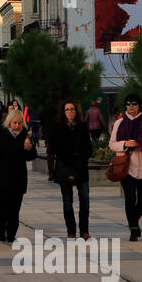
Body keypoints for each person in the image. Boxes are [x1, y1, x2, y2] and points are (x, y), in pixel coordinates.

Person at [0, 109, 36, 243]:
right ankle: (1, 232)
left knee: (15, 207)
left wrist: (29, 149)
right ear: (9, 123)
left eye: (19, 123)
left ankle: (11, 234)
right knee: (2, 205)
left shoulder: (25, 135)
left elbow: (30, 156)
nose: (16, 126)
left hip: (18, 176)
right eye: (14, 123)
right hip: (2, 176)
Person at [110, 94, 142, 241]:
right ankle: (133, 229)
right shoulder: (119, 123)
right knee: (130, 198)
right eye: (128, 104)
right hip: (126, 167)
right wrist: (125, 144)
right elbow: (112, 144)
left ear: (139, 106)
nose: (131, 107)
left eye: (134, 104)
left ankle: (133, 221)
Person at [49, 100, 93, 239]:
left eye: (72, 109)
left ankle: (84, 230)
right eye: (67, 109)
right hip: (64, 167)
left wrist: (82, 157)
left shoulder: (82, 126)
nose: (70, 112)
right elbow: (51, 148)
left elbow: (89, 148)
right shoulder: (57, 127)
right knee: (68, 202)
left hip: (80, 167)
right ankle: (71, 230)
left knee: (85, 199)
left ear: (76, 111)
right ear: (63, 112)